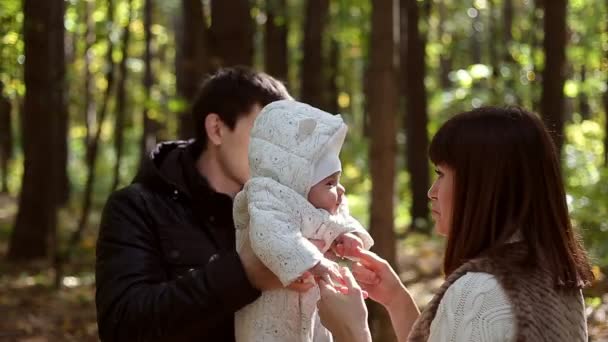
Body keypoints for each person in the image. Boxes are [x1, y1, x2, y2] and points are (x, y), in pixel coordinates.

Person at [317, 106, 594, 342]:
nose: (432, 191)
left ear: (483, 185)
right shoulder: (557, 277)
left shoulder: (480, 291)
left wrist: (351, 330)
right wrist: (398, 301)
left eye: (441, 174)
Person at [95, 67, 316, 341]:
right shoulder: (137, 208)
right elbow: (121, 326)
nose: (277, 153)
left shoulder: (288, 213)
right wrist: (243, 275)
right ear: (217, 129)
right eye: (266, 134)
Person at [233, 100, 374, 341]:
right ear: (298, 181)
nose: (340, 190)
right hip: (270, 315)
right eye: (330, 183)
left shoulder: (326, 205)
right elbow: (272, 236)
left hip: (314, 313)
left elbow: (339, 219)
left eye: (338, 181)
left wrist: (347, 237)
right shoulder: (266, 196)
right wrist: (315, 263)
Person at [0, 81, 12, 194]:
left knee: (4, 161)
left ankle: (5, 185)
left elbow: (8, 122)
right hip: (4, 136)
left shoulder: (7, 103)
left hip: (4, 137)